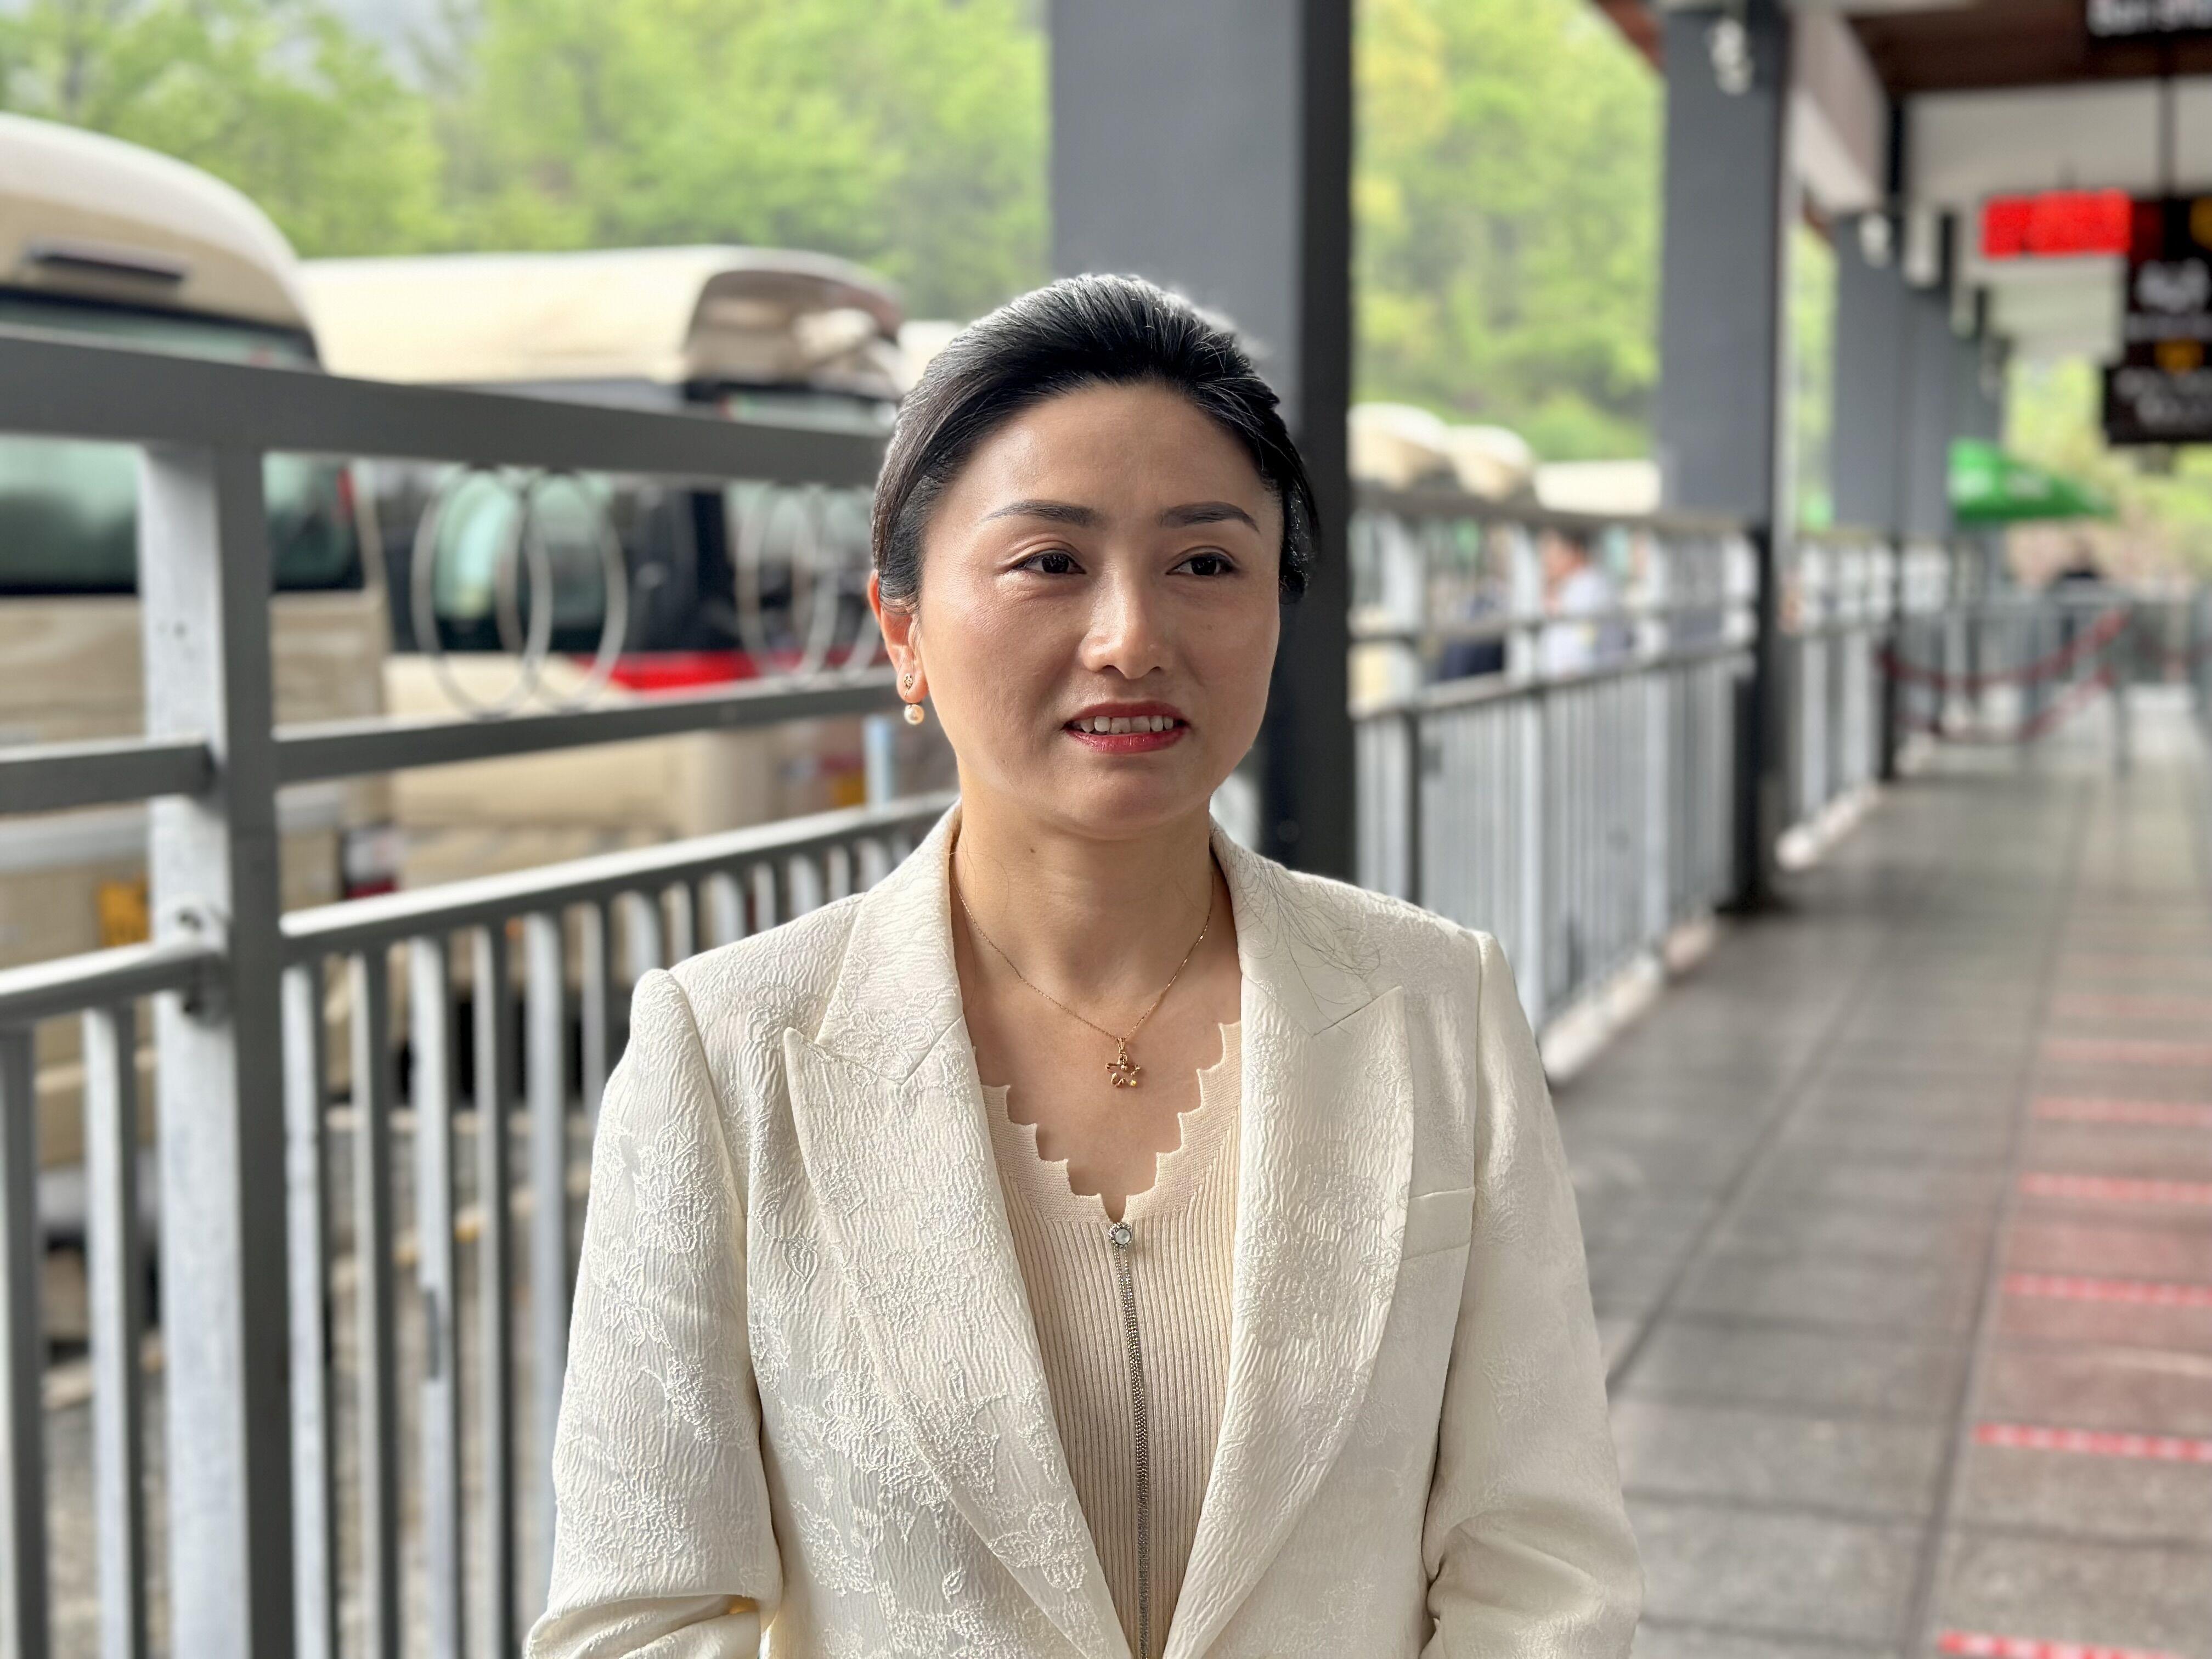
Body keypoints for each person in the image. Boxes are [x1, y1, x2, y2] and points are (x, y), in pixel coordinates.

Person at [527, 275, 1641, 1659]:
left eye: (1205, 564)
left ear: (1277, 612)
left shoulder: (1435, 1006)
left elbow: (1542, 1562)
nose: (1131, 638)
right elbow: (639, 1614)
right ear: (904, 633)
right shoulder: (729, 1049)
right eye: (1049, 562)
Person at [1538, 527, 1631, 678]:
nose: (1546, 560)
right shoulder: (1575, 586)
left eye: (1552, 551)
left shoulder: (1590, 589)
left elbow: (1582, 648)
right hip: (1580, 683)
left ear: (1574, 550)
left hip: (1583, 684)